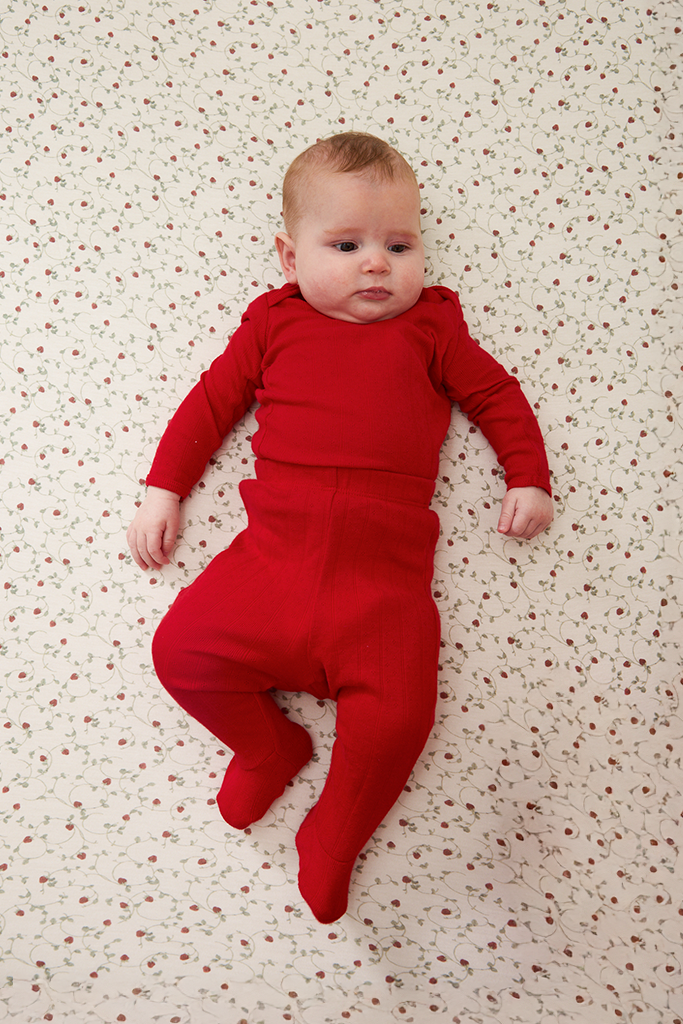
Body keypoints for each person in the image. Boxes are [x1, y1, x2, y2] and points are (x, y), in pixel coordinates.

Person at [127, 131, 554, 924]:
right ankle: (268, 747)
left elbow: (497, 396)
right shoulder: (273, 324)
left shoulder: (433, 330)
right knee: (180, 652)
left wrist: (527, 474)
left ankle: (334, 833)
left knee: (398, 720)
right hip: (272, 560)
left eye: (399, 244)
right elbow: (212, 403)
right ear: (289, 259)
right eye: (347, 244)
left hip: (380, 587)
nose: (376, 264)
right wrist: (164, 489)